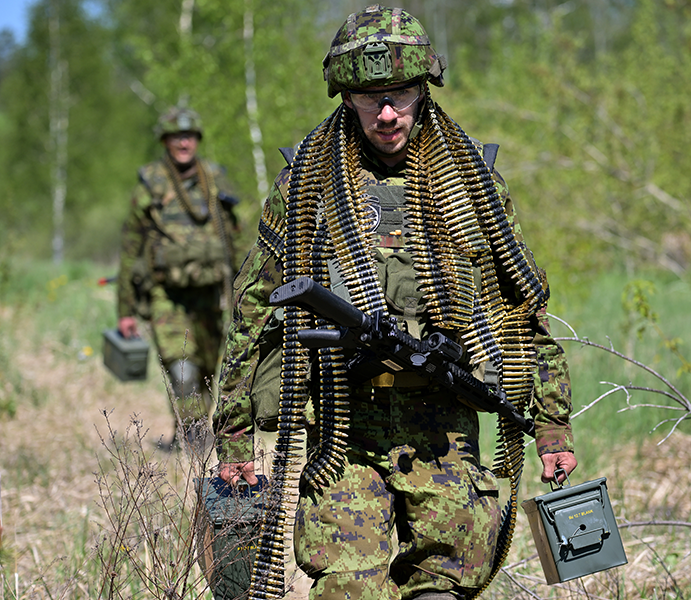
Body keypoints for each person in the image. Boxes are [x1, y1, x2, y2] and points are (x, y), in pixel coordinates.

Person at [213, 5, 576, 599]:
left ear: (424, 86)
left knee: (445, 581)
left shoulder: (473, 182)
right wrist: (232, 436)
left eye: (402, 93)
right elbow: (252, 308)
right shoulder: (307, 182)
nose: (387, 114)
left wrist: (552, 428)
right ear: (345, 96)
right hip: (341, 424)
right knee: (348, 587)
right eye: (369, 97)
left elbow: (521, 311)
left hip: (445, 423)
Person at [117, 106, 240, 449]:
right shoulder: (150, 186)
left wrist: (245, 289)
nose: (183, 142)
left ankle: (187, 429)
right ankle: (196, 440)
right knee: (181, 369)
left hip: (209, 294)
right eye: (176, 136)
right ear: (165, 140)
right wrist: (125, 310)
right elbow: (130, 249)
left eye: (189, 135)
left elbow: (238, 235)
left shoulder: (215, 180)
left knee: (206, 373)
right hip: (166, 295)